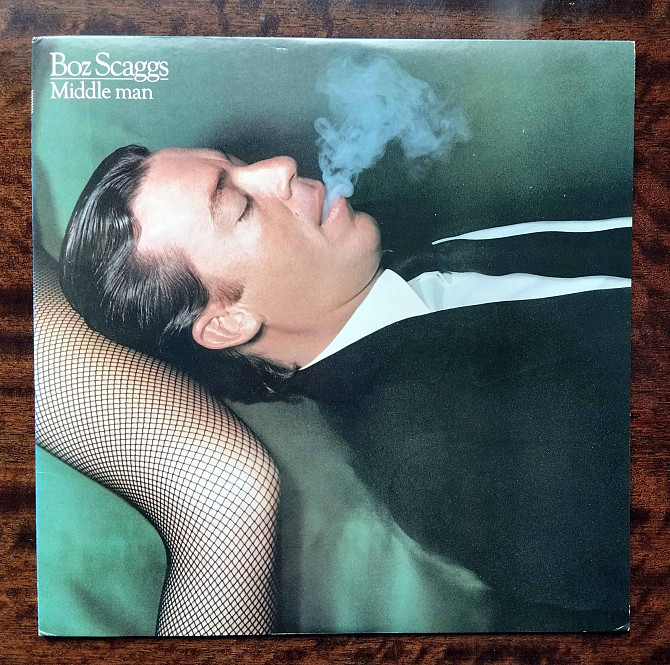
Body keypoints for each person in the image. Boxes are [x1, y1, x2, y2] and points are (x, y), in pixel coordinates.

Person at [60, 145, 631, 630]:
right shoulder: (446, 458)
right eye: (239, 206)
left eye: (235, 161)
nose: (280, 165)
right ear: (229, 323)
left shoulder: (408, 234)